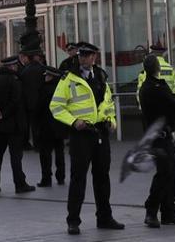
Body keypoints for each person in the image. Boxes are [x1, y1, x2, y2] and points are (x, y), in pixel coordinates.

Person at [50, 41, 124, 235]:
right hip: (81, 135)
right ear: (79, 57)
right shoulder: (68, 79)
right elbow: (56, 106)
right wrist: (74, 122)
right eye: (83, 56)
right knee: (78, 179)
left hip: (100, 133)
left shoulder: (100, 76)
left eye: (90, 56)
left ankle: (105, 217)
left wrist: (111, 122)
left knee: (102, 178)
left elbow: (107, 105)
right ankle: (73, 221)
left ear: (95, 57)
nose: (86, 59)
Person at [137, 55, 175, 228]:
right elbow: (174, 105)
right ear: (155, 68)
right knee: (164, 172)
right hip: (158, 136)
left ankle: (169, 211)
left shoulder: (153, 87)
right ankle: (151, 210)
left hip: (164, 134)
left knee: (170, 173)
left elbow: (172, 105)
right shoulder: (153, 88)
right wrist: (174, 101)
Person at [0, 55, 36, 194]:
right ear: (12, 66)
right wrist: (4, 113)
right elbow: (16, 101)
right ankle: (20, 184)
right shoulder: (15, 80)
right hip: (14, 125)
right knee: (15, 156)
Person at [36, 67, 66, 187]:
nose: (45, 77)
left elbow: (39, 108)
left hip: (46, 126)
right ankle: (61, 177)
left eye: (47, 76)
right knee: (60, 152)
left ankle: (46, 178)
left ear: (51, 76)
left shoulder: (44, 89)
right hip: (59, 125)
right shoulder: (62, 89)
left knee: (45, 154)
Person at [19, 48, 46, 150]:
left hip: (29, 102)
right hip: (42, 100)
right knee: (41, 123)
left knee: (33, 124)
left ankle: (36, 144)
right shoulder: (43, 69)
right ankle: (42, 143)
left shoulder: (25, 71)